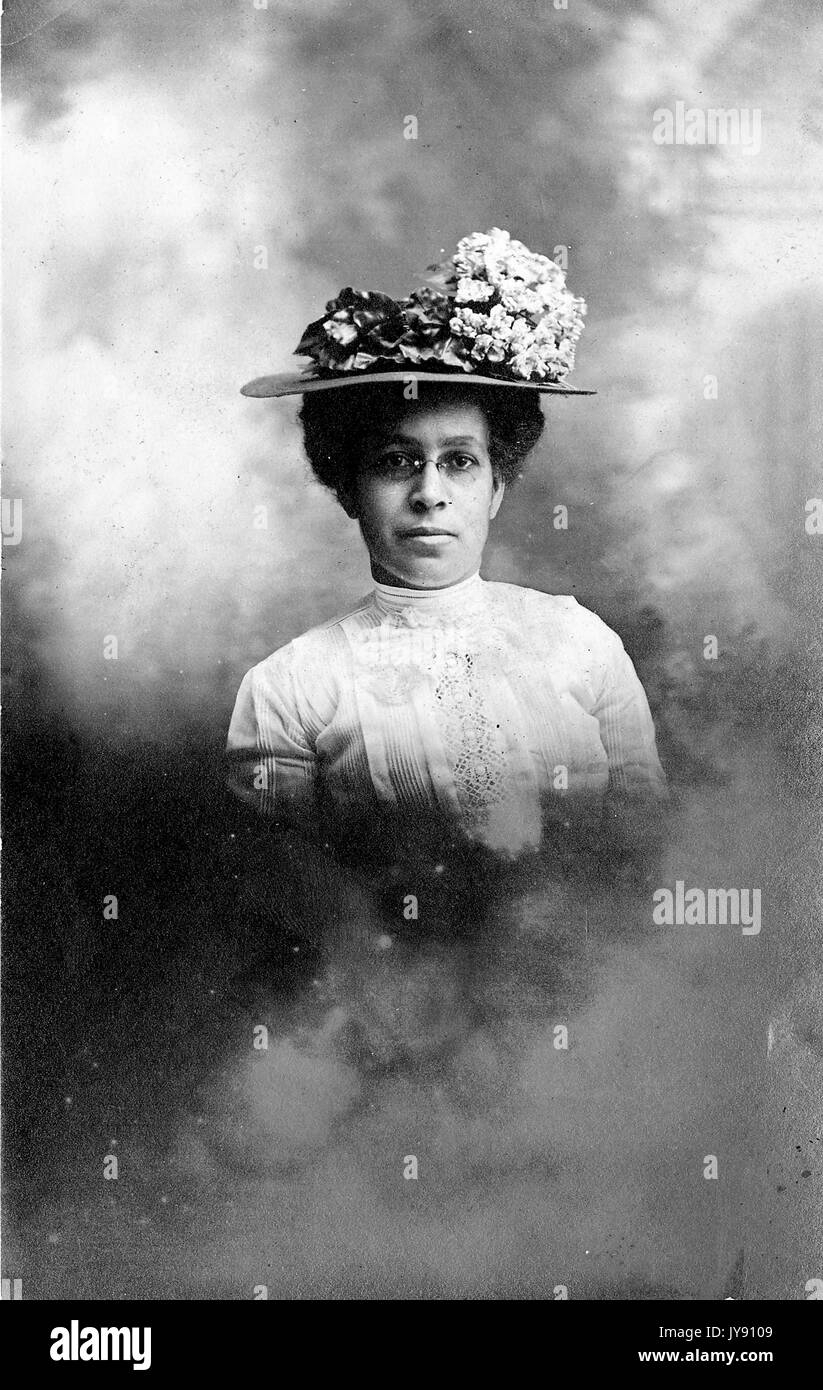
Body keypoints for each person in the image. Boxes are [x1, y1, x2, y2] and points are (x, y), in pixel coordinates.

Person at [226, 230, 666, 964]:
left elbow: (650, 844)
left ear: (497, 486)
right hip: (394, 1015)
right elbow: (286, 907)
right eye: (396, 462)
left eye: (459, 462)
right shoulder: (288, 687)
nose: (429, 494)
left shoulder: (579, 640)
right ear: (346, 487)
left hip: (599, 994)